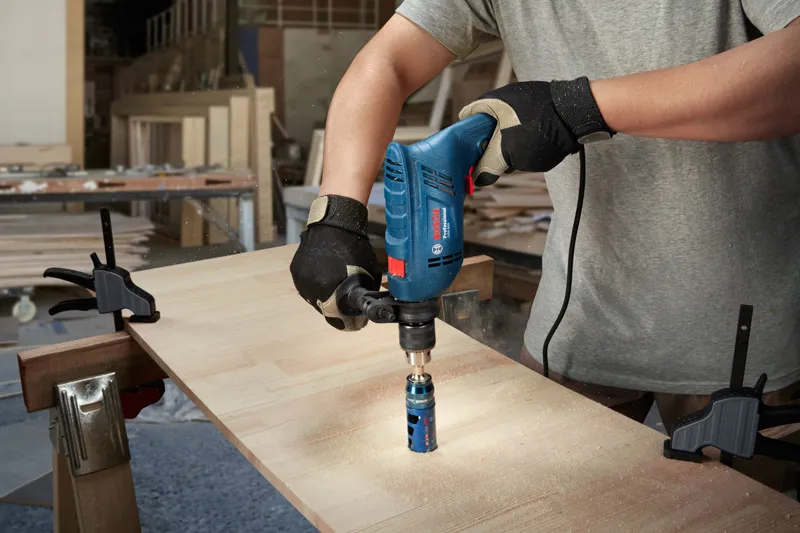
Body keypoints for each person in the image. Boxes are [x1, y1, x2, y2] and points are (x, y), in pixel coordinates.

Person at [290, 1, 800, 454]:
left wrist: (578, 108)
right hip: (580, 314)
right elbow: (388, 62)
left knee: (737, 512)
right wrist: (337, 215)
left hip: (742, 335)